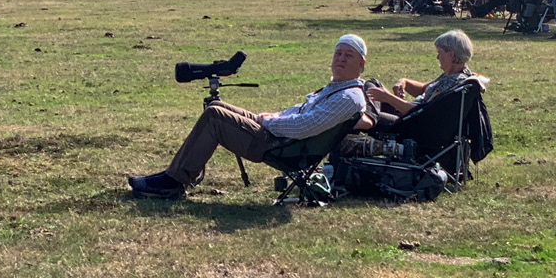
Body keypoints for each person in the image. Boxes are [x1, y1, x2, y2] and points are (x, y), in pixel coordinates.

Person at [127, 35, 373, 199]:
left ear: (361, 65)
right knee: (221, 107)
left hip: (283, 147)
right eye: (338, 54)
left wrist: (267, 121)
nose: (340, 59)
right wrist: (273, 116)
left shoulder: (348, 98)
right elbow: (301, 113)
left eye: (348, 56)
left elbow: (303, 127)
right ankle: (175, 174)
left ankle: (173, 182)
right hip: (282, 137)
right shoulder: (339, 89)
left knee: (215, 115)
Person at [363, 30, 485, 120]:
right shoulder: (452, 75)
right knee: (372, 84)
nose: (437, 57)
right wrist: (404, 82)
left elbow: (423, 114)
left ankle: (369, 118)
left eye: (439, 53)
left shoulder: (454, 83)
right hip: (410, 114)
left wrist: (387, 98)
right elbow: (423, 90)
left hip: (412, 122)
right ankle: (370, 115)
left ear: (451, 55)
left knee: (367, 111)